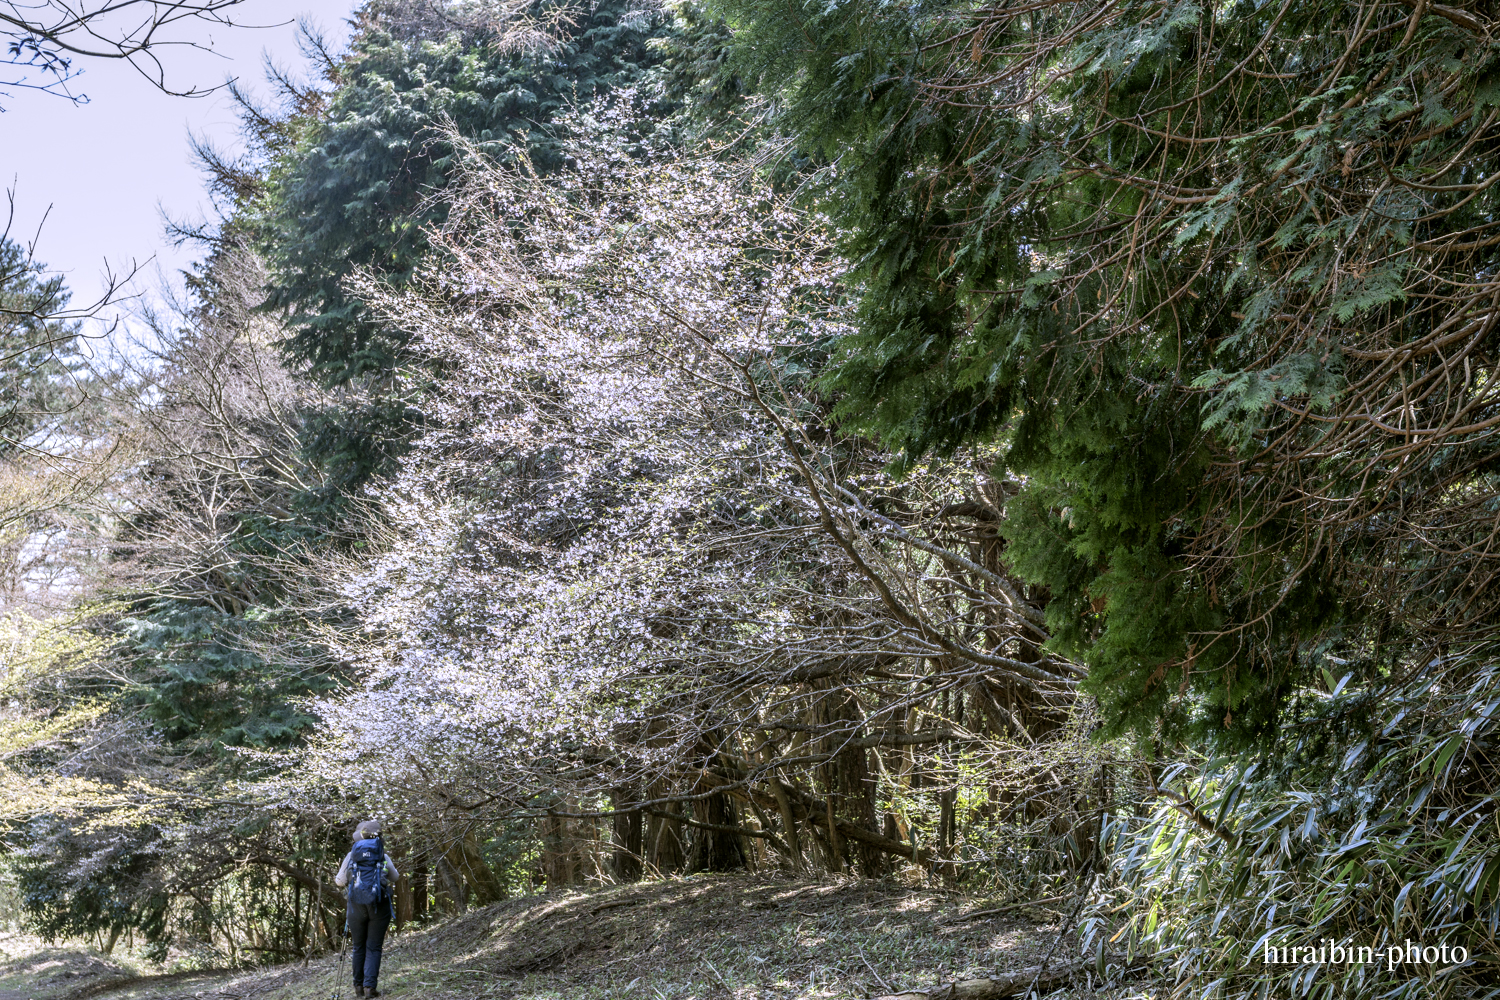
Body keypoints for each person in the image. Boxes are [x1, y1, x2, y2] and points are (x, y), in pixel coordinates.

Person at [335, 819, 399, 998]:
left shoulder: (351, 855)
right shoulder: (382, 855)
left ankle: (357, 987)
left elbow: (340, 882)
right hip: (379, 905)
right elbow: (395, 877)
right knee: (373, 947)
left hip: (356, 905)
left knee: (358, 946)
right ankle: (370, 987)